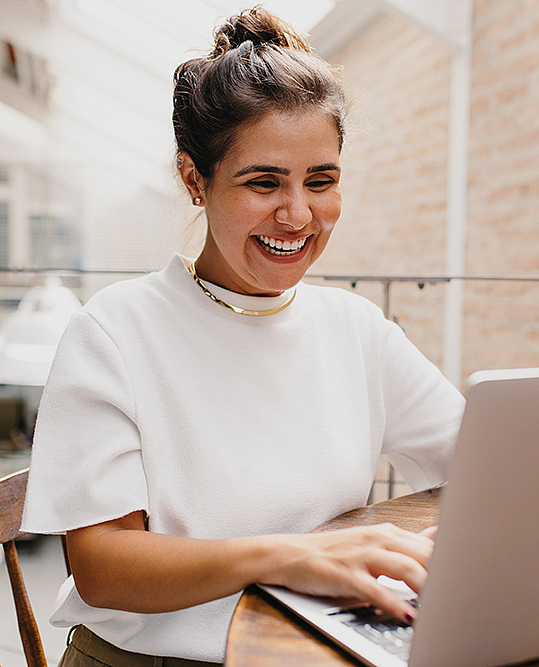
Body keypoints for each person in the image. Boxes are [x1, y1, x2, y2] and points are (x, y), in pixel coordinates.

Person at [22, 7, 465, 666]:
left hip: (312, 647)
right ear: (193, 178)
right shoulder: (114, 330)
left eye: (321, 180)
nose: (297, 214)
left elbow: (482, 467)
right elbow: (103, 569)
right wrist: (291, 555)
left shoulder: (355, 330)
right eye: (263, 182)